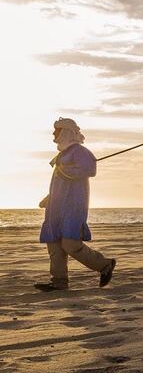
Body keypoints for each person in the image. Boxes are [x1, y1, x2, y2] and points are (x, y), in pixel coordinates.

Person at [35, 119, 116, 292]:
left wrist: (65, 170)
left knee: (71, 244)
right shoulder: (62, 155)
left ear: (65, 132)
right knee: (54, 245)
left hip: (73, 206)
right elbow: (60, 183)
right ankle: (59, 282)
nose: (53, 134)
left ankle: (104, 265)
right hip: (56, 207)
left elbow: (90, 170)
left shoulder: (80, 151)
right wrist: (49, 197)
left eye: (56, 131)